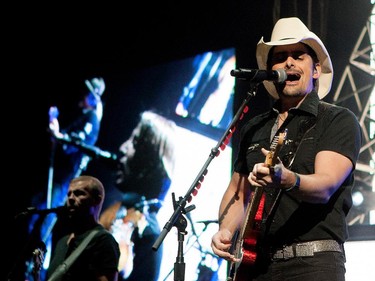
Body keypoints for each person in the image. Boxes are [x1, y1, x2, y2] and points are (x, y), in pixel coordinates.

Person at [211, 17, 362, 281]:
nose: (288, 62)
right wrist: (225, 230)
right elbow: (238, 192)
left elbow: (325, 185)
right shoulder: (255, 127)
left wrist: (288, 179)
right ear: (271, 70)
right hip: (256, 265)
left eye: (297, 55)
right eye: (280, 57)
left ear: (315, 70)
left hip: (313, 263)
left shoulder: (336, 119)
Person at [26, 77, 106, 279]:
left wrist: (59, 136)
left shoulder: (92, 120)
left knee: (44, 219)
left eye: (89, 93)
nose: (84, 95)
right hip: (56, 176)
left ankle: (36, 270)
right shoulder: (82, 115)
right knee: (35, 214)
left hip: (63, 180)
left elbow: (73, 144)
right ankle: (28, 263)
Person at [99, 110, 177, 281]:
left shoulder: (149, 235)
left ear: (151, 163)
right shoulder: (119, 208)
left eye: (134, 142)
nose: (123, 148)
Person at [46, 175, 120, 281]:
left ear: (97, 200)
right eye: (69, 194)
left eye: (79, 193)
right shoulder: (62, 242)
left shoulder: (103, 240)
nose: (71, 198)